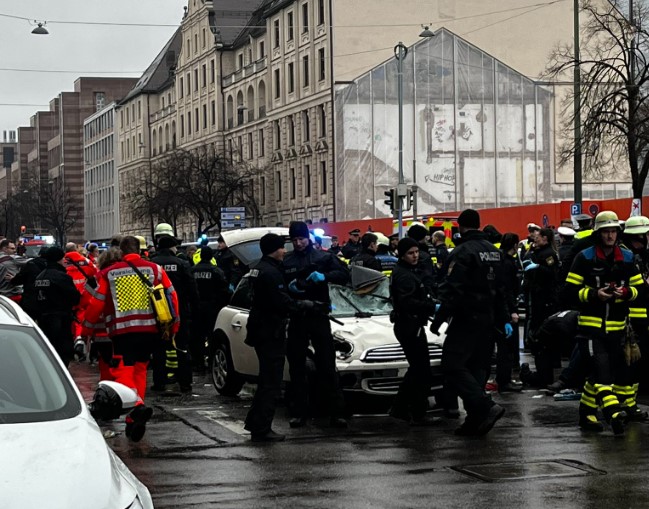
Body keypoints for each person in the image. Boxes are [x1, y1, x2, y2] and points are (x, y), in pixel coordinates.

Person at [83, 236, 180, 442]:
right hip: (150, 330)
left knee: (123, 370)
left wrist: (87, 329)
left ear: (122, 251)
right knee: (140, 370)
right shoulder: (155, 270)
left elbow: (96, 304)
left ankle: (136, 407)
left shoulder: (109, 273)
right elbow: (172, 296)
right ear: (140, 249)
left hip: (122, 332)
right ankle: (134, 417)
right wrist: (174, 326)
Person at [563, 211, 644, 435]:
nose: (610, 236)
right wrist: (593, 294)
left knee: (599, 375)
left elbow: (642, 292)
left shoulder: (627, 259)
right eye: (606, 232)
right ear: (598, 233)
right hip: (590, 329)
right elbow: (569, 293)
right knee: (602, 373)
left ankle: (586, 414)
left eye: (613, 231)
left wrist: (626, 292)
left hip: (617, 329)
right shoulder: (585, 258)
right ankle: (614, 414)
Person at [431, 208, 510, 436]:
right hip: (489, 320)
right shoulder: (493, 252)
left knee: (452, 365)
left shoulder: (462, 252)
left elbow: (452, 290)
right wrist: (503, 317)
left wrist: (439, 319)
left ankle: (486, 407)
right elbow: (501, 289)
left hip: (467, 318)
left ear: (460, 227)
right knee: (477, 368)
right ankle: (475, 421)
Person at [244, 233, 326, 442]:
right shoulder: (270, 272)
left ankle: (256, 423)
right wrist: (306, 305)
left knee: (266, 380)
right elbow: (280, 302)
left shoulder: (256, 267)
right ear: (275, 249)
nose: (285, 251)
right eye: (282, 248)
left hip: (260, 328)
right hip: (270, 330)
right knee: (271, 381)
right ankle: (262, 428)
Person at [283, 221, 349, 428]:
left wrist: (324, 277)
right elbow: (280, 286)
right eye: (294, 240)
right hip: (297, 316)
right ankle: (299, 411)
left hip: (318, 314)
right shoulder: (287, 260)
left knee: (327, 365)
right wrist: (290, 289)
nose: (298, 243)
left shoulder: (323, 257)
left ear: (308, 238)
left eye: (301, 239)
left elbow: (344, 276)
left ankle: (336, 412)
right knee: (297, 367)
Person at [389, 237, 440, 425]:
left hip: (411, 325)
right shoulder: (404, 275)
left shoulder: (408, 271)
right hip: (409, 326)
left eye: (416, 252)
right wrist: (430, 307)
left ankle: (403, 408)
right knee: (421, 370)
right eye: (411, 253)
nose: (415, 256)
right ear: (402, 255)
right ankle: (411, 410)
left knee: (418, 369)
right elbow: (407, 302)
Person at [151, 235, 198, 393]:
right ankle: (185, 382)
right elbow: (192, 289)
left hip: (157, 311)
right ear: (171, 247)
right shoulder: (182, 263)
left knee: (159, 348)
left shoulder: (152, 264)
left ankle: (159, 382)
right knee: (182, 347)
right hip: (179, 311)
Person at [523, 227, 560, 387]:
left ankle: (544, 375)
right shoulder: (538, 252)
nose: (534, 239)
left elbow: (552, 273)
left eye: (537, 236)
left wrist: (537, 267)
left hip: (544, 301)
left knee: (541, 337)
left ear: (545, 238)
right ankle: (543, 373)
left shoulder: (549, 254)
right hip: (539, 298)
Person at [33, 247, 81, 367]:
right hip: (61, 319)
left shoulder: (40, 276)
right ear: (59, 259)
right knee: (62, 352)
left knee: (49, 349)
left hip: (44, 319)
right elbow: (75, 298)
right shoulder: (61, 277)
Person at [191, 246, 230, 371]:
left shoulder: (193, 270)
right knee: (212, 336)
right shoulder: (216, 271)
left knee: (197, 336)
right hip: (213, 308)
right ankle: (211, 361)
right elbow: (224, 291)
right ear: (211, 257)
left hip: (196, 308)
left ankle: (199, 363)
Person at [496, 233, 522, 392]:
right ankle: (504, 381)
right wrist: (512, 311)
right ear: (514, 245)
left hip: (502, 307)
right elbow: (507, 290)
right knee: (506, 348)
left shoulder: (501, 260)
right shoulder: (508, 263)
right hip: (506, 309)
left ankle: (504, 379)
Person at [64, 242, 98, 361]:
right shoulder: (85, 261)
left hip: (68, 295)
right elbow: (95, 273)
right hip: (84, 294)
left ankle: (75, 340)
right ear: (76, 249)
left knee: (71, 318)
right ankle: (80, 339)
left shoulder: (62, 262)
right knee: (81, 317)